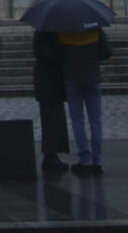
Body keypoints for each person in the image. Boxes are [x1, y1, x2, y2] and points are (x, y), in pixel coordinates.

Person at [59, 26, 110, 174]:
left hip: (72, 80)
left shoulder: (63, 31)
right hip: (93, 79)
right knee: (96, 121)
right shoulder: (95, 29)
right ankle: (97, 161)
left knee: (77, 121)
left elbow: (58, 56)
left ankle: (85, 159)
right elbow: (106, 52)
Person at [31, 30, 70, 175]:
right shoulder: (46, 34)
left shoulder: (42, 33)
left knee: (52, 121)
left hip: (48, 83)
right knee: (52, 121)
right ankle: (49, 157)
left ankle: (52, 155)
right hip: (50, 84)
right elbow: (50, 55)